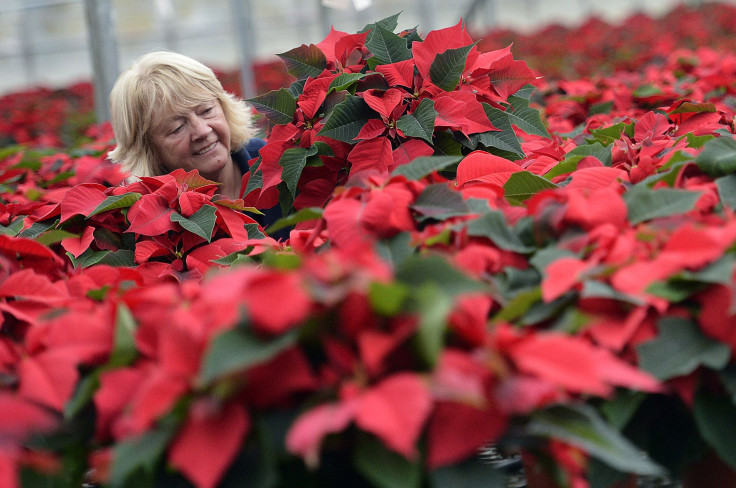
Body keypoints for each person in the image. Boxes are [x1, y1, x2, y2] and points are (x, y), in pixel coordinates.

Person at [107, 50, 265, 202]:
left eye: (206, 110)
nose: (202, 131)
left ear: (224, 107)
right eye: (177, 128)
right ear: (149, 151)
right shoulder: (155, 223)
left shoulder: (275, 165)